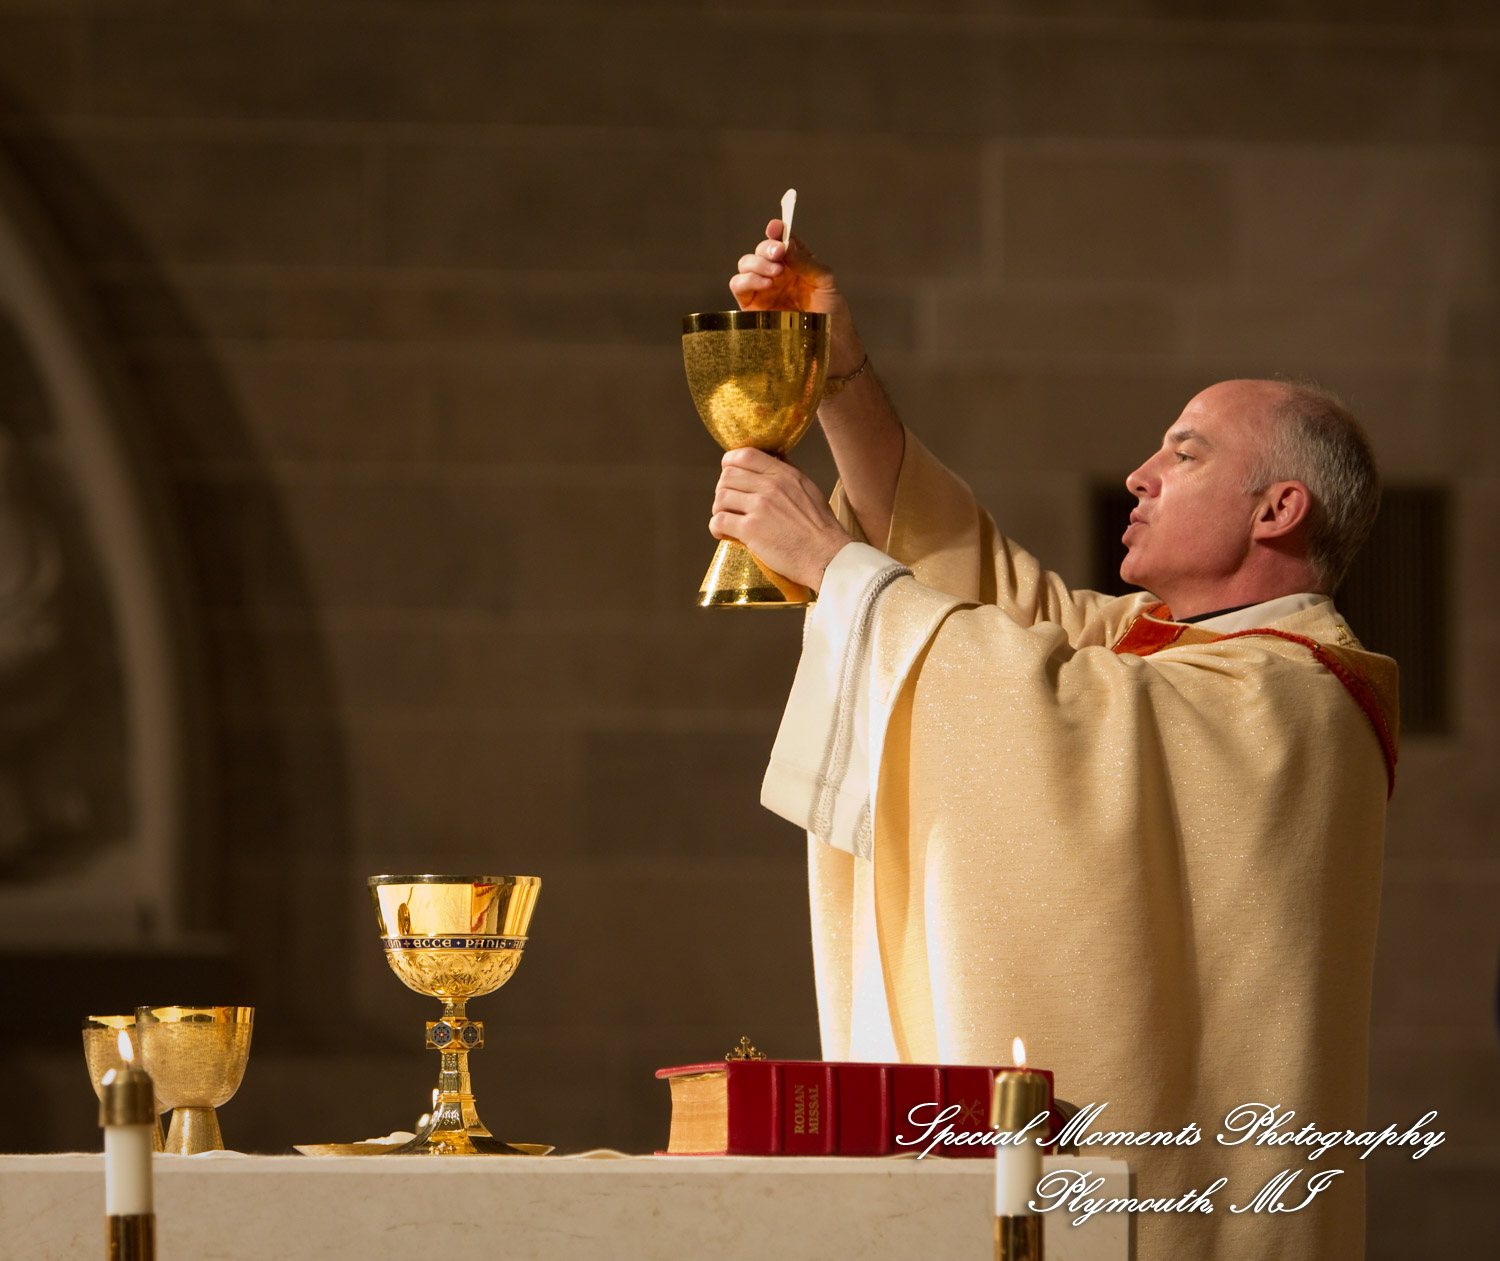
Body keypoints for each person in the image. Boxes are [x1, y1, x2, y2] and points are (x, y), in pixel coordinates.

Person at [712, 221, 1397, 1260]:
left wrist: (831, 562)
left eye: (1186, 451)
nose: (1140, 472)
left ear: (1279, 508)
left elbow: (1049, 709)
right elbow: (968, 580)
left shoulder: (1300, 697)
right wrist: (838, 369)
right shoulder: (1151, 645)